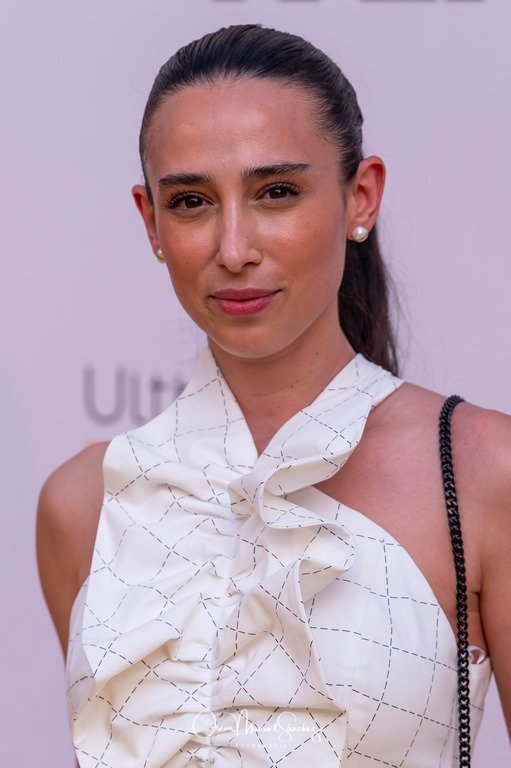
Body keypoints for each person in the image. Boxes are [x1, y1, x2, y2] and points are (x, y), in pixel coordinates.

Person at [36, 23, 511, 767]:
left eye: (276, 192)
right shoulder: (83, 505)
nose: (233, 249)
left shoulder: (481, 470)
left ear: (360, 197)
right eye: (190, 201)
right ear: (150, 221)